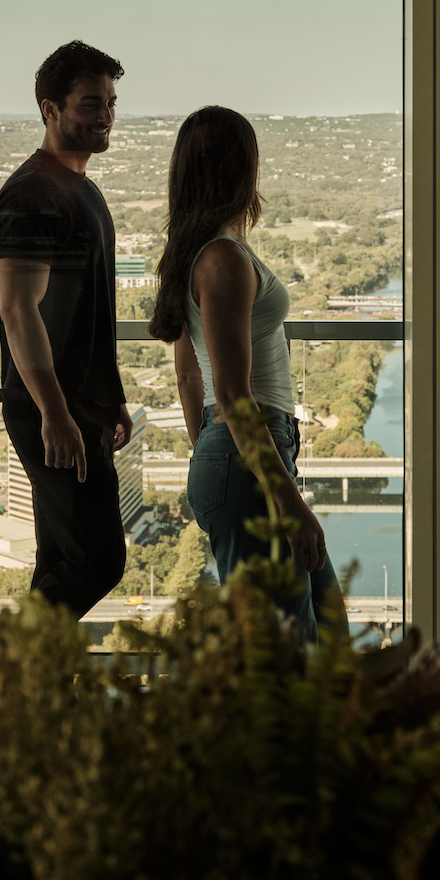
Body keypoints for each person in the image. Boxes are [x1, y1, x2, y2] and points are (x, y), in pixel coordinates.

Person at [148, 106, 342, 641]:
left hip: (235, 454)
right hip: (249, 455)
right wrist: (286, 501)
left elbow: (190, 379)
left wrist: (211, 450)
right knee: (283, 653)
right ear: (244, 168)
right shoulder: (223, 260)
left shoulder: (194, 254)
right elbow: (233, 395)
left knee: (322, 630)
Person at [0, 40, 133, 617]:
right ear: (50, 110)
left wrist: (112, 396)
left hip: (83, 405)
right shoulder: (31, 196)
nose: (105, 117)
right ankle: (1, 675)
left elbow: (92, 312)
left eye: (111, 104)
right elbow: (18, 311)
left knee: (60, 562)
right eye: (90, 104)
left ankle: (36, 700)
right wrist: (55, 413)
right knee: (99, 559)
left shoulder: (82, 189)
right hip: (54, 409)